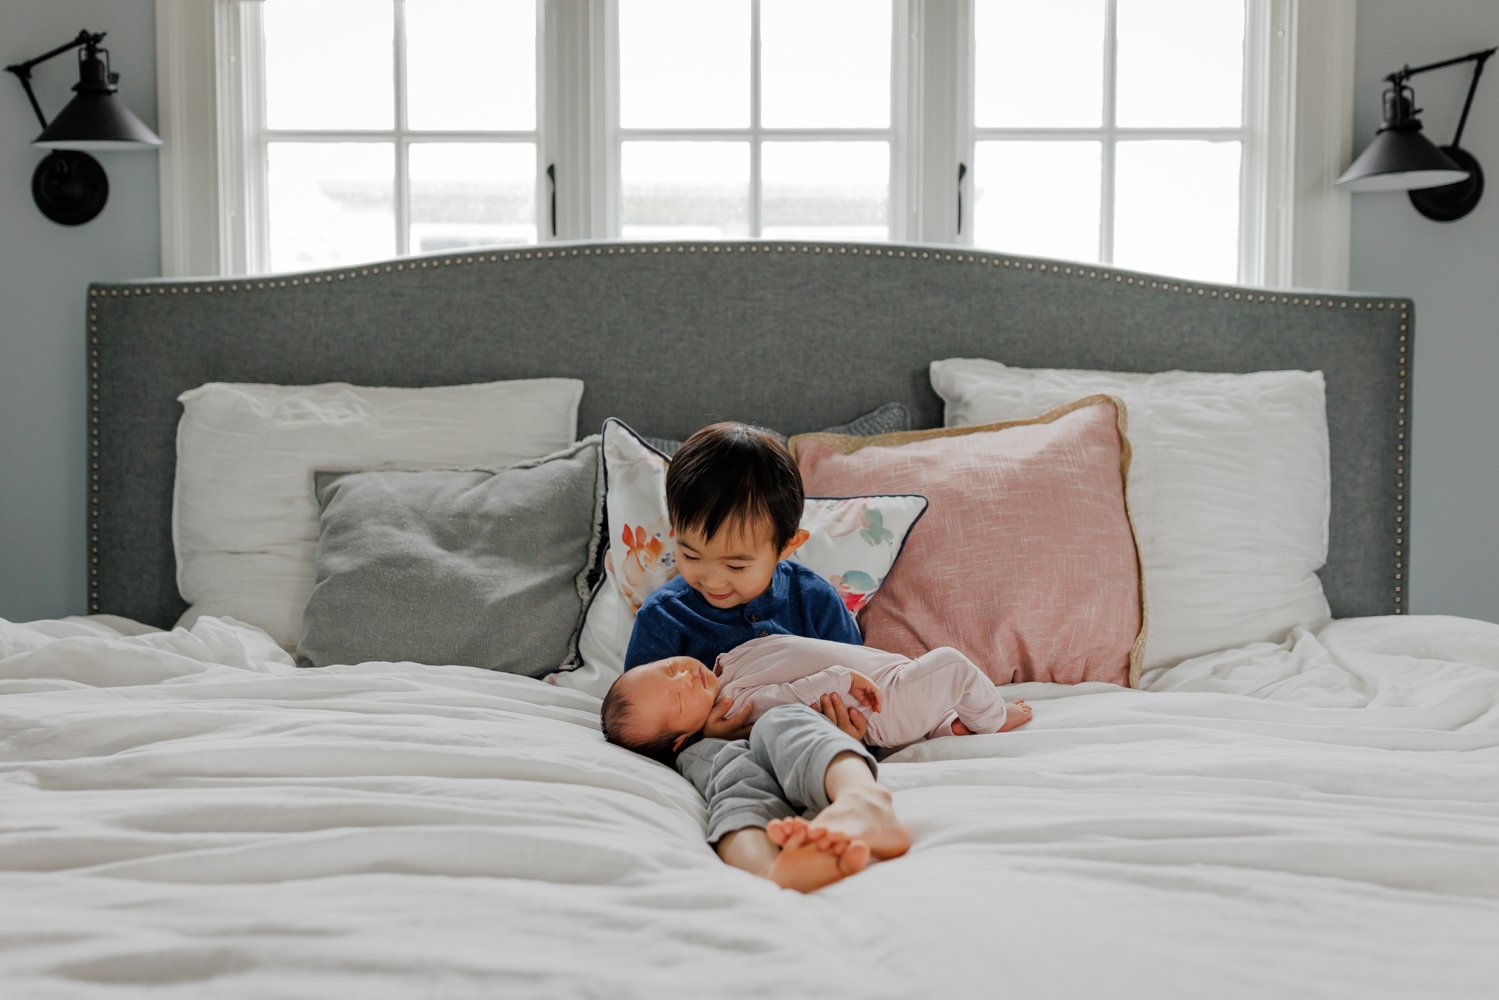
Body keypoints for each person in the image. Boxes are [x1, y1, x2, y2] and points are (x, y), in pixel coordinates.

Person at [618, 422, 904, 890]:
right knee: (729, 777)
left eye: (736, 564)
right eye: (690, 555)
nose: (712, 580)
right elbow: (642, 721)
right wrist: (700, 731)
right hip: (715, 749)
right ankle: (766, 867)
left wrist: (854, 724)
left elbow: (863, 681)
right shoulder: (664, 619)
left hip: (805, 732)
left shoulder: (814, 601)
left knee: (784, 723)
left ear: (785, 547)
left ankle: (865, 802)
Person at [603, 635, 1034, 758]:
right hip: (876, 705)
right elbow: (788, 695)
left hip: (881, 685)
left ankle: (950, 728)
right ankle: (994, 719)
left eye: (670, 670)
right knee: (952, 665)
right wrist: (840, 678)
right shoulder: (734, 709)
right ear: (681, 739)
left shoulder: (724, 670)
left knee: (934, 689)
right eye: (678, 700)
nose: (685, 678)